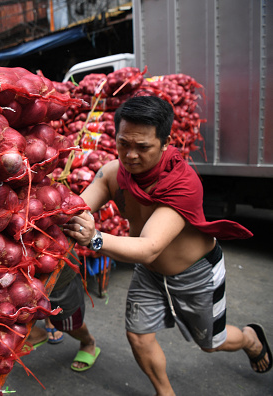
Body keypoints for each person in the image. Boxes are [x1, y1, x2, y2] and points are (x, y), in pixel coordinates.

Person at [62, 95, 272, 395]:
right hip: (148, 272)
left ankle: (251, 339)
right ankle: (165, 392)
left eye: (143, 147)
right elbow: (79, 207)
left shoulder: (183, 184)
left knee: (211, 343)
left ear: (165, 142)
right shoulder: (112, 173)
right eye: (123, 143)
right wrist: (61, 213)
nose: (130, 155)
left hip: (195, 274)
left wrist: (94, 238)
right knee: (138, 336)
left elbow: (149, 246)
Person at [26, 256, 100, 372]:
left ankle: (88, 342)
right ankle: (37, 334)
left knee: (68, 323)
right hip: (18, 279)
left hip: (57, 277)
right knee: (17, 316)